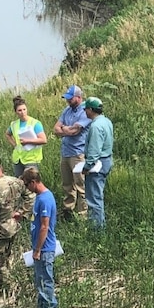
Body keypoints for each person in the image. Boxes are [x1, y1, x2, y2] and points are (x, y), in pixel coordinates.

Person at [0, 158, 33, 288]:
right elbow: (31, 197)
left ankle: (8, 287)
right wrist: (22, 212)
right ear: (0, 168)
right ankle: (7, 284)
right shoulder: (15, 182)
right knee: (7, 255)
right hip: (13, 225)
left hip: (0, 230)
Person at [22, 167, 58, 308]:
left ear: (34, 182)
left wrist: (37, 250)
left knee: (45, 280)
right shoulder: (39, 198)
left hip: (44, 248)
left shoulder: (45, 200)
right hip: (40, 247)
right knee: (40, 280)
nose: (26, 188)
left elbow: (44, 226)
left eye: (26, 184)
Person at [52, 84, 91, 221]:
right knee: (67, 184)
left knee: (80, 184)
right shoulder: (67, 110)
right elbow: (56, 129)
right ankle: (68, 210)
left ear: (79, 97)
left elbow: (76, 131)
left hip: (78, 154)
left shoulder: (85, 111)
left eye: (70, 98)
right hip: (66, 153)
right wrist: (65, 129)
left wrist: (64, 129)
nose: (67, 101)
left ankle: (82, 214)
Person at [81, 96, 114, 230]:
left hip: (97, 166)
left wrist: (87, 166)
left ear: (90, 110)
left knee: (94, 199)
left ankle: (97, 229)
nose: (84, 111)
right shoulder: (106, 121)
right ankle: (98, 224)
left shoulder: (95, 126)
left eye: (86, 109)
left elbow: (94, 151)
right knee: (98, 195)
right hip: (107, 161)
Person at [5, 95, 47, 178]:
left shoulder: (35, 123)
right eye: (19, 110)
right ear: (16, 112)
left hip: (32, 159)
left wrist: (28, 141)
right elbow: (7, 134)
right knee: (19, 182)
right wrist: (14, 145)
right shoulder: (14, 124)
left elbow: (43, 140)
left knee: (31, 183)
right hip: (18, 159)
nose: (22, 112)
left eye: (24, 109)